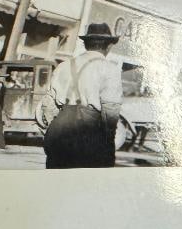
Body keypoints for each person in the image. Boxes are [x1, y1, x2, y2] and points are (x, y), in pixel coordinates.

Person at [44, 22, 123, 169]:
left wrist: (52, 131)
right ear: (108, 46)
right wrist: (108, 142)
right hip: (90, 136)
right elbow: (111, 111)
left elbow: (48, 107)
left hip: (59, 134)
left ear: (86, 44)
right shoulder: (109, 69)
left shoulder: (63, 66)